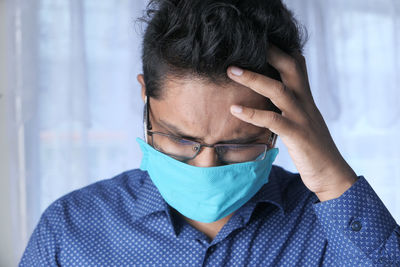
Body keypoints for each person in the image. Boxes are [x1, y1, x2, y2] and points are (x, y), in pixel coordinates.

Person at [20, 0, 400, 266]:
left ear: (283, 119)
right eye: (180, 139)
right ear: (145, 96)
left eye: (237, 145)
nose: (204, 167)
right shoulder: (70, 229)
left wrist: (333, 176)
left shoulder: (333, 231)